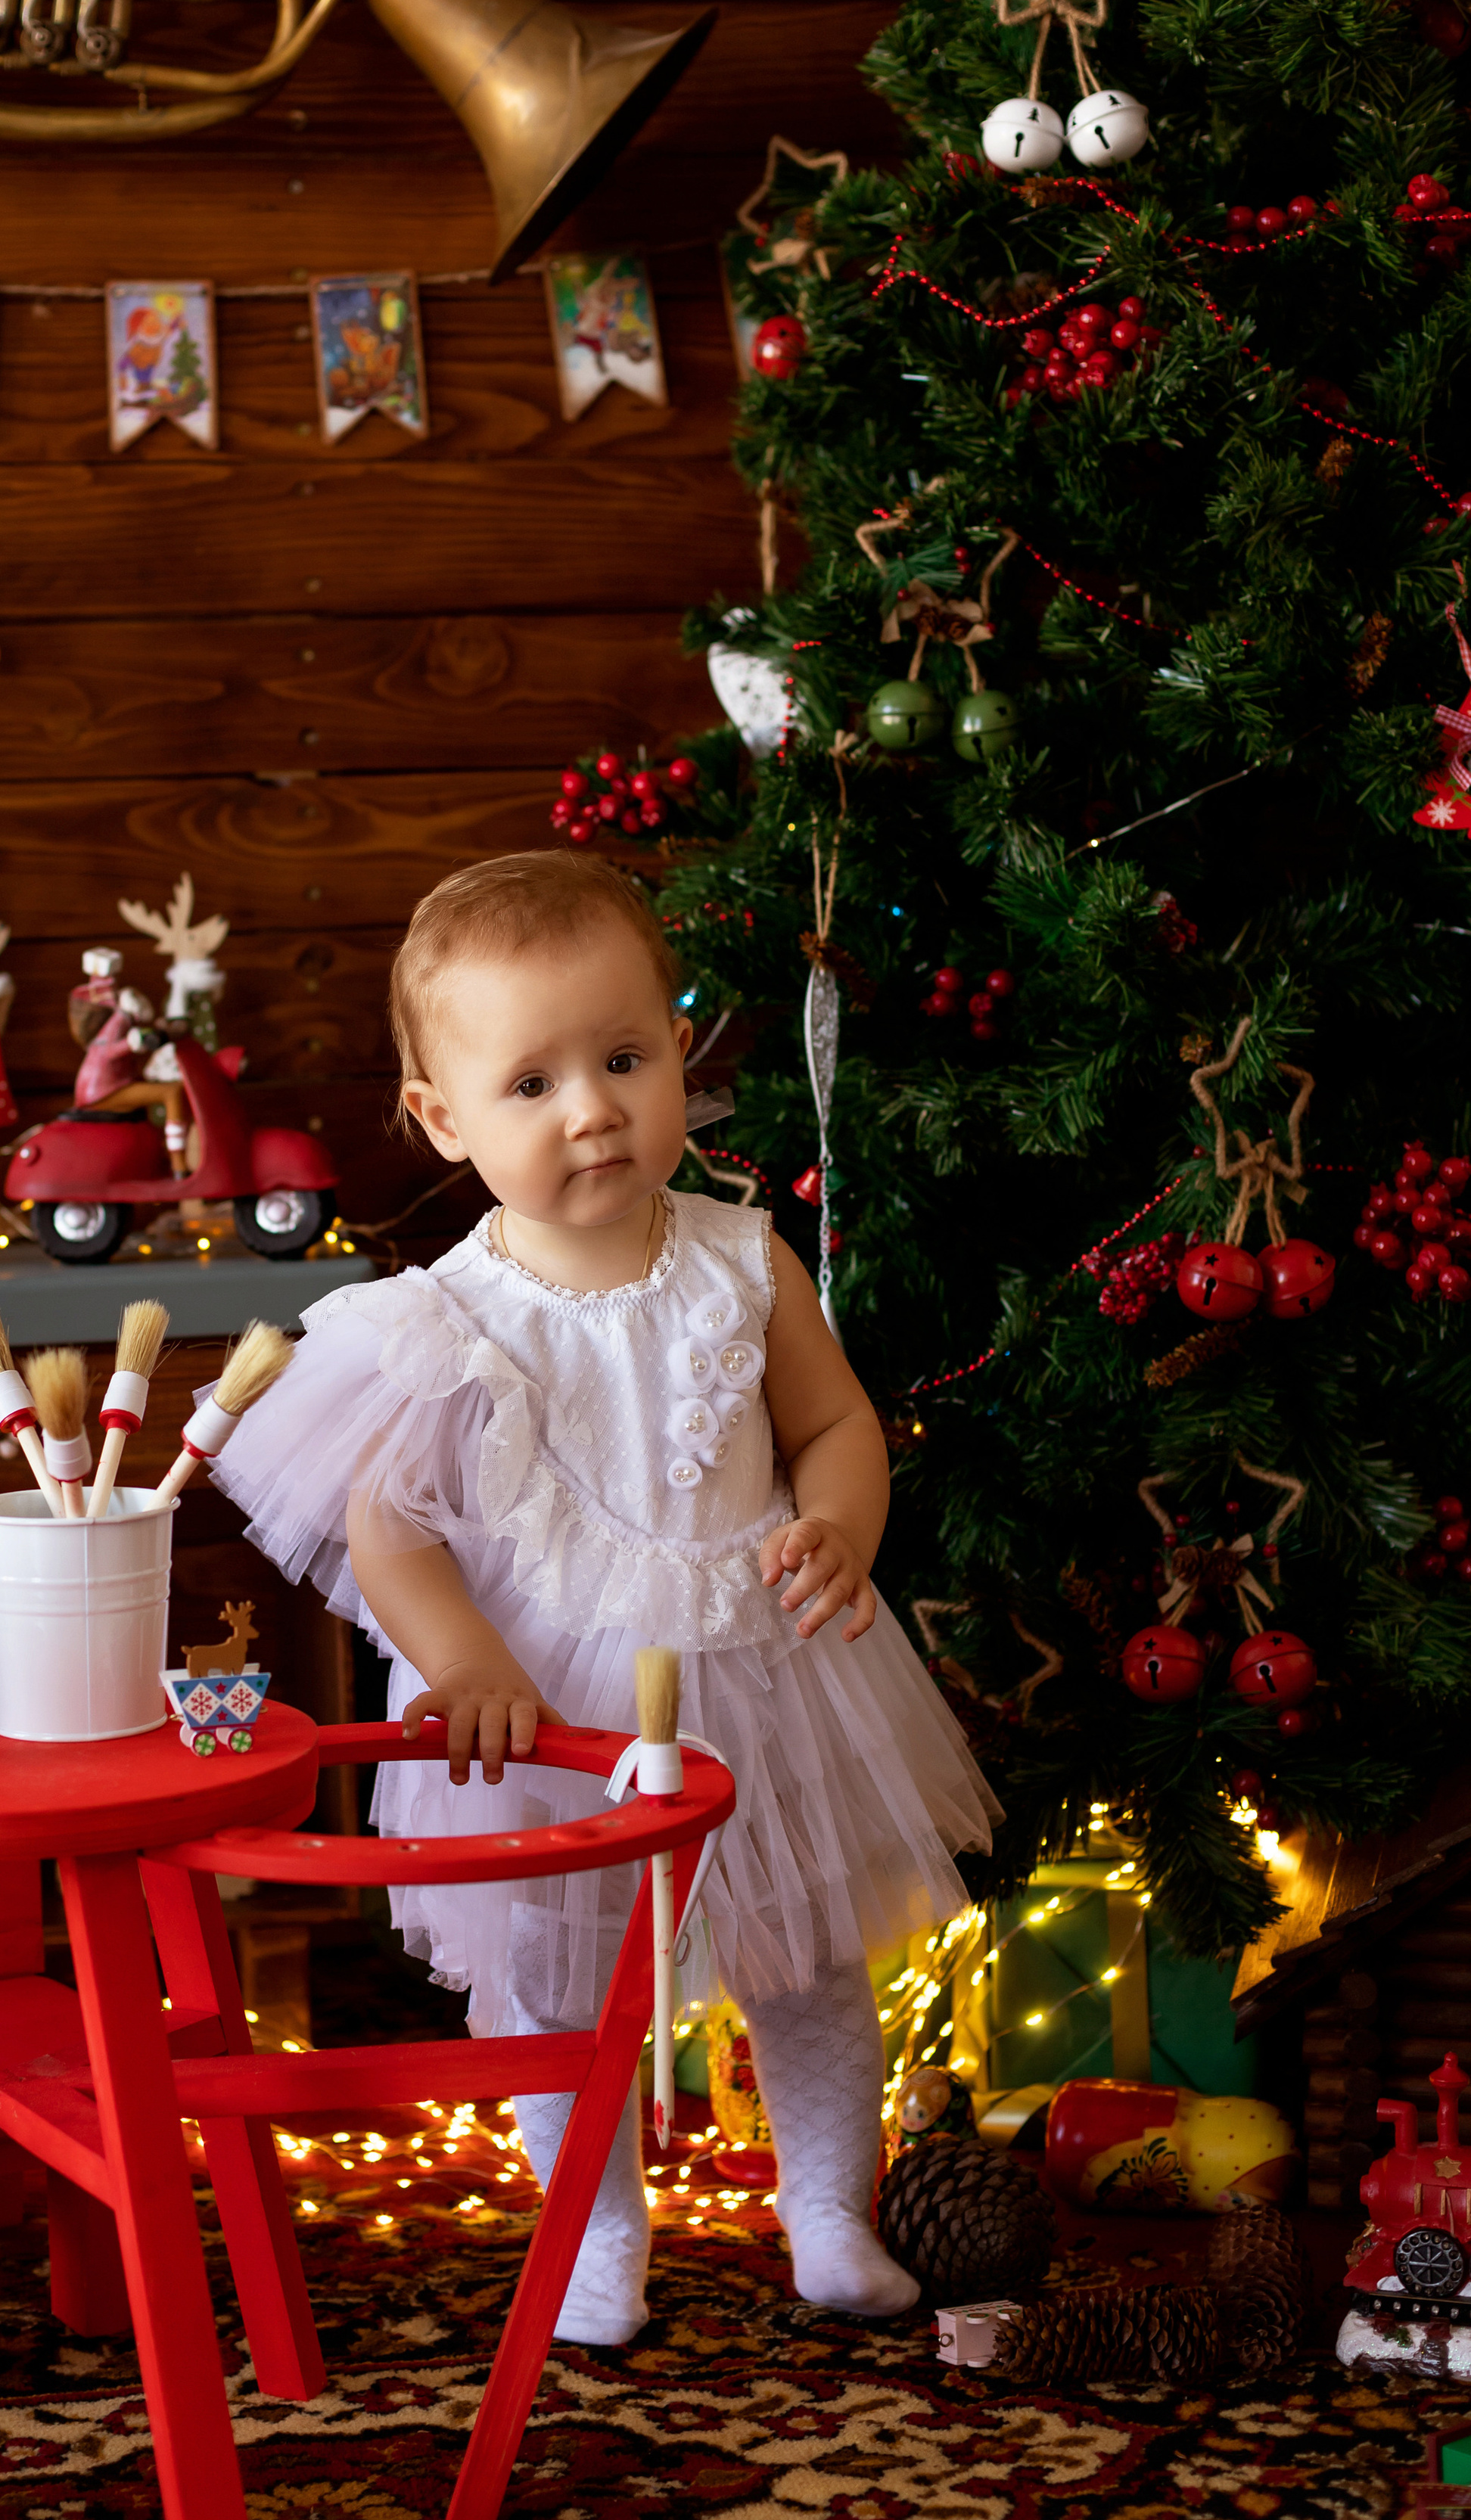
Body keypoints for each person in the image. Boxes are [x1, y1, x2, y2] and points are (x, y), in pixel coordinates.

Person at [214, 849, 1000, 2342]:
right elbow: (390, 1537)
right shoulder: (437, 1322)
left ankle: (829, 2213)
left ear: (674, 1058)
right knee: (550, 1988)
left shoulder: (737, 1258)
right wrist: (457, 1664)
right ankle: (590, 2235)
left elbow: (834, 1427)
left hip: (757, 1669)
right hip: (547, 1709)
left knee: (806, 1956)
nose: (589, 1109)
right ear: (442, 1118)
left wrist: (836, 1525)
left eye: (622, 1058)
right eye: (530, 1084)